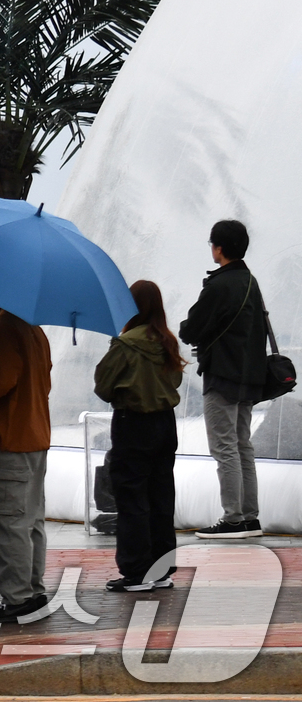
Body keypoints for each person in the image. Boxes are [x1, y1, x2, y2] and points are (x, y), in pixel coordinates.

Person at [179, 219, 270, 538]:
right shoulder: (249, 280)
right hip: (249, 377)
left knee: (224, 447)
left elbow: (192, 328)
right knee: (242, 445)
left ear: (218, 248)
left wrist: (187, 331)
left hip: (222, 375)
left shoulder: (219, 285)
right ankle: (249, 516)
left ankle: (232, 518)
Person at [94, 280, 185, 590]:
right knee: (161, 496)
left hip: (133, 424)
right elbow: (175, 383)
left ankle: (136, 572)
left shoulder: (125, 344)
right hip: (164, 424)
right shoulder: (167, 341)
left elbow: (103, 386)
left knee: (132, 497)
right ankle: (160, 570)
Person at [0, 301, 53, 622]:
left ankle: (18, 597)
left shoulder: (4, 330)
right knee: (32, 519)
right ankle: (33, 590)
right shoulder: (34, 329)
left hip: (10, 439)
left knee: (9, 522)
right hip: (35, 436)